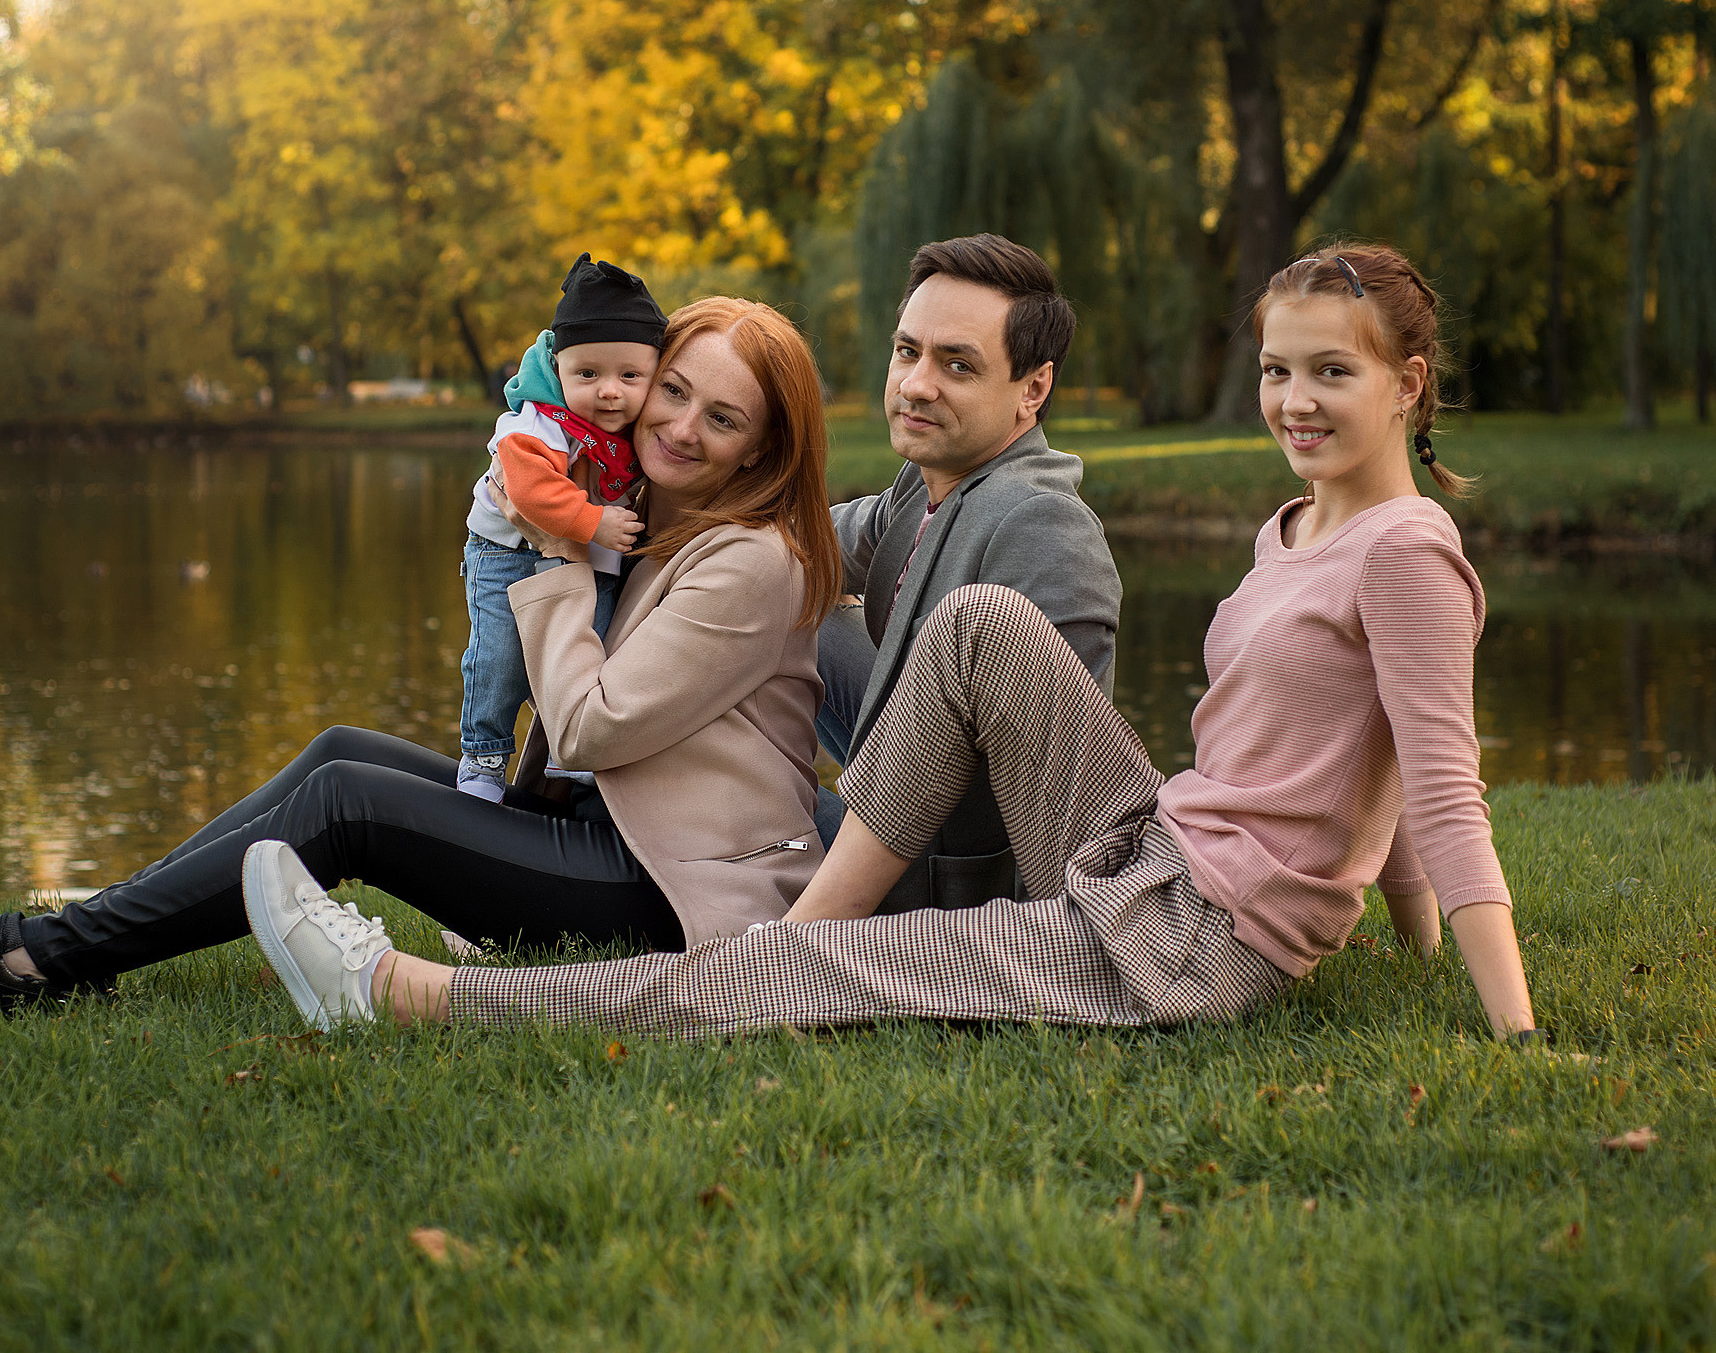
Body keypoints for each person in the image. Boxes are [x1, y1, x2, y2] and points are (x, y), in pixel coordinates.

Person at [240, 241, 1540, 1046]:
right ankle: (767, 940)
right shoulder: (1300, 526)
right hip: (1157, 848)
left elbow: (1439, 783)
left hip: (1194, 941)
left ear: (1407, 383)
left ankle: (404, 993)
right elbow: (1367, 760)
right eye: (1276, 370)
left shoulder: (1404, 552)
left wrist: (1513, 1034)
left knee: (798, 972)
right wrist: (1405, 940)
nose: (1293, 401)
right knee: (974, 622)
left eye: (1330, 374)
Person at [0, 299, 842, 1017]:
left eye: (722, 418)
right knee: (339, 749)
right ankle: (92, 937)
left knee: (350, 803)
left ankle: (18, 962)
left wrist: (558, 555)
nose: (679, 426)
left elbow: (586, 726)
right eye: (674, 390)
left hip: (664, 888)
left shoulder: (751, 561)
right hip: (604, 829)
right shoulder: (659, 511)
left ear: (762, 447)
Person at [816, 234, 1122, 912]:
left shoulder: (1042, 524)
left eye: (957, 365)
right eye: (907, 352)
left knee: (726, 803)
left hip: (957, 888)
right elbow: (807, 545)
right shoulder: (928, 481)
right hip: (897, 802)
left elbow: (1066, 782)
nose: (915, 385)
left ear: (1032, 388)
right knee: (795, 601)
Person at [457, 255, 665, 799]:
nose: (610, 391)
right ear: (558, 367)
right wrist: (593, 521)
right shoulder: (541, 420)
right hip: (507, 552)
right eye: (587, 374)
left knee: (590, 646)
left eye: (630, 376)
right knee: (500, 658)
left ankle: (568, 750)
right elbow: (529, 492)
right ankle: (482, 759)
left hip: (591, 553)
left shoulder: (636, 430)